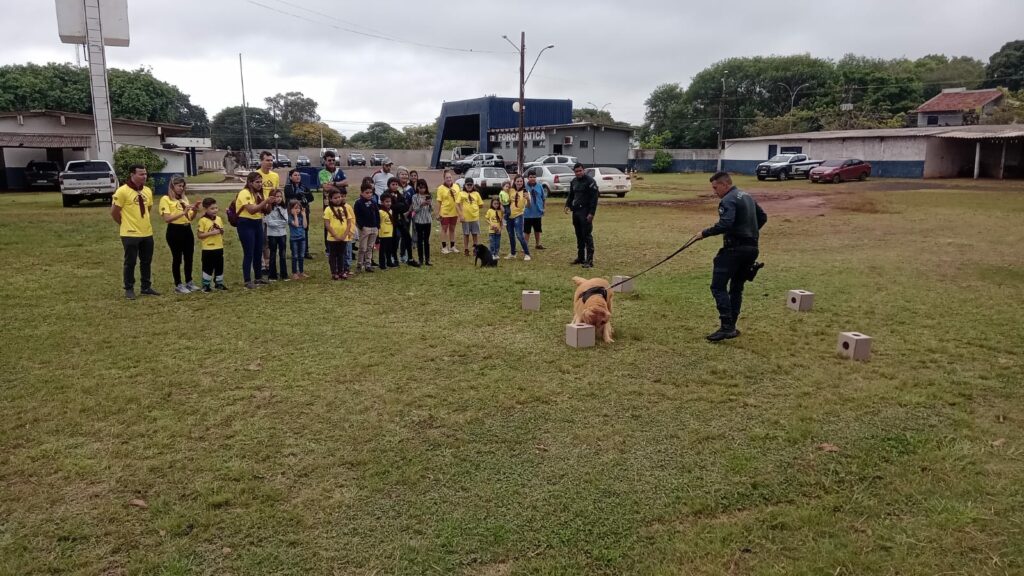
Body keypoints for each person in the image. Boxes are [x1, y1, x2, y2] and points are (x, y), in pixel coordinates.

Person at [693, 171, 767, 342]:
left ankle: (726, 327)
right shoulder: (746, 196)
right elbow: (762, 217)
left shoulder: (728, 200)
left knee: (717, 287)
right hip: (752, 248)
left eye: (715, 187)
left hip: (735, 250)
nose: (714, 191)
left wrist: (704, 233)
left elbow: (725, 223)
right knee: (736, 288)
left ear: (725, 184)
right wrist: (748, 231)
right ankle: (731, 326)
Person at [111, 164, 158, 299]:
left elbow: (147, 209)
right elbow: (114, 212)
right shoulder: (122, 191)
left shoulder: (147, 191)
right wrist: (124, 223)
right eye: (141, 174)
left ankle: (146, 287)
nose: (144, 176)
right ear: (132, 174)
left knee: (146, 261)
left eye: (145, 174)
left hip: (146, 232)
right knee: (130, 262)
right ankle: (129, 288)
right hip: (130, 233)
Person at [159, 175, 201, 293]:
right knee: (177, 258)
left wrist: (195, 209)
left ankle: (189, 281)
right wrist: (183, 212)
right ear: (173, 186)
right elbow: (167, 219)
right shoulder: (166, 199)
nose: (181, 188)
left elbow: (190, 217)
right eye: (179, 186)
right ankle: (178, 284)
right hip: (174, 231)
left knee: (189, 257)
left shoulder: (184, 199)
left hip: (187, 229)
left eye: (183, 186)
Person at [235, 171, 276, 289]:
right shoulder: (244, 193)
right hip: (246, 223)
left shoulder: (258, 194)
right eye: (257, 182)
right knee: (249, 252)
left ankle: (258, 277)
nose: (259, 184)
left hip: (258, 222)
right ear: (250, 182)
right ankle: (247, 280)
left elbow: (266, 211)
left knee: (258, 251)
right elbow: (251, 210)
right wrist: (265, 201)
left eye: (260, 182)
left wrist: (270, 202)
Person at [565, 162, 599, 268]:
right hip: (576, 212)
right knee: (579, 235)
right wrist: (567, 205)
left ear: (583, 170)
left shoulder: (590, 181)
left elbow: (594, 199)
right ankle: (581, 257)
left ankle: (589, 260)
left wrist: (591, 213)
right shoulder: (574, 182)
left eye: (580, 170)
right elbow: (571, 195)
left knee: (587, 235)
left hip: (586, 212)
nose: (578, 173)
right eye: (576, 171)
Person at [318, 151, 348, 252]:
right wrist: (340, 185)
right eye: (329, 160)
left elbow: (346, 182)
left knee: (341, 221)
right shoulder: (322, 173)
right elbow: (326, 187)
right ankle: (329, 248)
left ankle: (341, 242)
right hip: (328, 203)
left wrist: (334, 183)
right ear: (325, 161)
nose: (331, 162)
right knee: (328, 224)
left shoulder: (339, 171)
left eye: (333, 160)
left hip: (341, 202)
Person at [196, 197, 227, 291]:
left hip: (219, 247)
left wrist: (221, 231)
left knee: (219, 266)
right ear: (206, 209)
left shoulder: (219, 219)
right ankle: (206, 285)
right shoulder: (203, 220)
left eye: (216, 208)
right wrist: (211, 233)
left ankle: (219, 283)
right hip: (208, 248)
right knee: (207, 267)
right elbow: (200, 235)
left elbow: (221, 231)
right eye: (212, 209)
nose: (215, 210)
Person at [257, 151, 280, 274]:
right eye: (267, 160)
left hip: (271, 211)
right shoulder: (256, 175)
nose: (270, 163)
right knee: (261, 238)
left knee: (270, 238)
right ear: (261, 161)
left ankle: (268, 263)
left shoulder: (275, 176)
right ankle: (260, 264)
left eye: (271, 160)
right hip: (259, 211)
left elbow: (276, 193)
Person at [324, 188, 354, 280]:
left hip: (343, 237)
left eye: (339, 197)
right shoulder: (328, 209)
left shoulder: (345, 208)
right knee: (333, 255)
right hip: (333, 238)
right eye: (335, 198)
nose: (338, 199)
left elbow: (349, 222)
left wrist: (345, 234)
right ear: (331, 199)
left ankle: (342, 271)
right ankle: (334, 272)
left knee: (342, 255)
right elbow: (327, 224)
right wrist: (335, 235)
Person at [284, 169, 314, 259]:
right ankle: (295, 250)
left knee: (305, 229)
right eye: (295, 175)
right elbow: (290, 196)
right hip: (293, 212)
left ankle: (305, 251)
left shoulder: (304, 187)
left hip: (304, 211)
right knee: (294, 229)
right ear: (290, 177)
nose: (298, 177)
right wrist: (300, 196)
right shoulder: (288, 187)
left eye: (299, 175)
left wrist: (302, 197)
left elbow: (311, 197)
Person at [354, 182, 380, 273]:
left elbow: (377, 214)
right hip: (365, 228)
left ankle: (368, 264)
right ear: (362, 193)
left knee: (370, 247)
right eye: (367, 192)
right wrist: (362, 226)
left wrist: (377, 226)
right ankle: (359, 264)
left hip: (374, 228)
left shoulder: (373, 202)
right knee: (362, 247)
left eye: (370, 192)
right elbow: (357, 216)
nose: (369, 194)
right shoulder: (358, 203)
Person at [264, 188, 289, 281]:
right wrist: (279, 223)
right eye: (276, 197)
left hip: (282, 233)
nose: (278, 198)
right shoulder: (268, 208)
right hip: (272, 234)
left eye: (280, 196)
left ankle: (284, 274)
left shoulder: (283, 208)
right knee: (273, 254)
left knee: (282, 254)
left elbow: (285, 220)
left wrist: (279, 223)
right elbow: (268, 221)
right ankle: (272, 275)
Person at [506, 175, 531, 261]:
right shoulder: (510, 190)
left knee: (519, 235)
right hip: (509, 216)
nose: (519, 183)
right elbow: (506, 201)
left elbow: (528, 206)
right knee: (511, 235)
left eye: (521, 181)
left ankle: (527, 253)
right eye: (518, 181)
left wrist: (528, 199)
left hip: (518, 215)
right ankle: (513, 253)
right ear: (514, 182)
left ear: (523, 182)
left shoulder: (525, 192)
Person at [456, 177, 483, 256]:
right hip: (465, 218)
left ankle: (475, 249)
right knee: (466, 234)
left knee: (475, 234)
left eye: (471, 185)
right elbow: (457, 204)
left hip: (474, 217)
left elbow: (481, 204)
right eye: (468, 185)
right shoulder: (461, 193)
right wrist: (460, 215)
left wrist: (475, 208)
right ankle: (466, 249)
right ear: (465, 185)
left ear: (473, 185)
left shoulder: (476, 194)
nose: (469, 186)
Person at [409, 178, 433, 266]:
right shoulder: (415, 196)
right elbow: (414, 209)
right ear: (417, 187)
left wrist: (429, 204)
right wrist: (421, 204)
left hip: (427, 220)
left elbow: (431, 210)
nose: (422, 189)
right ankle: (420, 259)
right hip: (419, 221)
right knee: (419, 240)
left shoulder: (429, 195)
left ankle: (427, 259)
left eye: (424, 187)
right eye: (420, 187)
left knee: (426, 240)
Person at [436, 170, 460, 254]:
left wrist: (460, 212)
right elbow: (439, 202)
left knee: (452, 229)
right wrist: (438, 213)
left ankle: (452, 246)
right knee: (444, 229)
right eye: (447, 177)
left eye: (450, 177)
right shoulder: (440, 188)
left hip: (454, 212)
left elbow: (459, 200)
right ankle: (444, 247)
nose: (449, 179)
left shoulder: (456, 186)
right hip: (445, 212)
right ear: (444, 178)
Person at [523, 171, 547, 250]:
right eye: (530, 177)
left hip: (537, 212)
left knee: (537, 229)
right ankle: (525, 246)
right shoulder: (525, 187)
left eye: (534, 177)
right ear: (527, 178)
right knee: (527, 230)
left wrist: (543, 208)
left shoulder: (539, 186)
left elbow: (543, 199)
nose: (532, 178)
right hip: (527, 213)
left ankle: (538, 244)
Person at [287, 199, 308, 280]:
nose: (298, 210)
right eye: (295, 208)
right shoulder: (289, 217)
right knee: (295, 256)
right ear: (291, 209)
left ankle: (301, 271)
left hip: (302, 238)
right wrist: (295, 215)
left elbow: (305, 226)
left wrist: (304, 215)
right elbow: (296, 225)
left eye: (299, 208)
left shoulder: (301, 216)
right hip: (294, 239)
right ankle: (294, 272)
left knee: (301, 256)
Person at [378, 195, 398, 270]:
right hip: (383, 233)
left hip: (390, 232)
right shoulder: (380, 212)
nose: (388, 203)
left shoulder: (391, 210)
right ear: (382, 202)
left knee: (389, 249)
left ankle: (389, 262)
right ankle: (382, 264)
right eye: (386, 202)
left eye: (389, 201)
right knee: (382, 250)